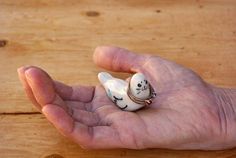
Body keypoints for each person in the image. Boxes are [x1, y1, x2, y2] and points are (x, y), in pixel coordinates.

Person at [17, 46, 236, 150]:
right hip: (115, 86)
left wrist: (223, 109)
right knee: (107, 79)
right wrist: (222, 110)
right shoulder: (124, 98)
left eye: (145, 85)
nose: (145, 87)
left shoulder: (143, 95)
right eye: (141, 86)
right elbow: (118, 93)